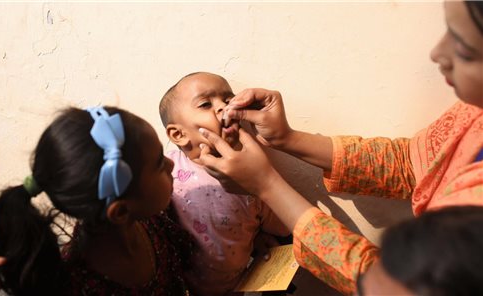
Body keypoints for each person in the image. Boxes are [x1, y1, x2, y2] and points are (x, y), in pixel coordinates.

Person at [195, 1, 483, 295]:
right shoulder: (475, 113)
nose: (437, 54)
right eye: (205, 104)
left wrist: (267, 185)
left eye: (463, 46)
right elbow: (413, 163)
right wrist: (286, 138)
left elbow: (392, 288)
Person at [0, 106, 193, 295]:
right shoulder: (82, 286)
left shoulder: (153, 220)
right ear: (120, 212)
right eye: (159, 163)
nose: (171, 163)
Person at [159, 72, 289, 295]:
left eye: (228, 100)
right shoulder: (166, 171)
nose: (224, 108)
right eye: (206, 104)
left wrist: (257, 237)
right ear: (178, 134)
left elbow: (280, 224)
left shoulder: (251, 172)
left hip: (236, 288)